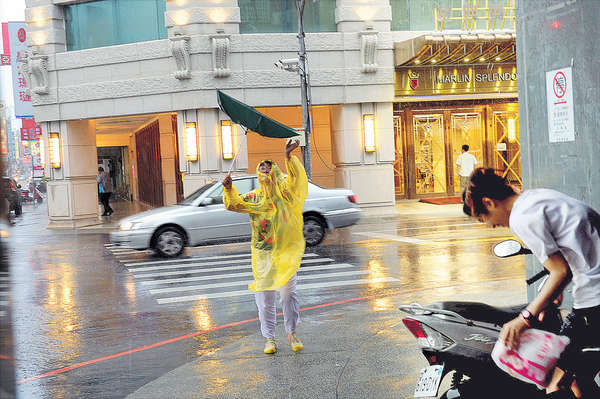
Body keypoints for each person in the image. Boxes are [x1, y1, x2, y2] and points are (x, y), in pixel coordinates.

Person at [463, 167, 600, 398]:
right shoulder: (536, 198)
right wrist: (551, 296)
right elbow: (566, 266)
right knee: (574, 375)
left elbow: (559, 270)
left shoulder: (521, 217)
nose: (488, 225)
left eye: (482, 218)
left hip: (594, 299)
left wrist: (524, 318)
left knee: (557, 380)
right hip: (592, 292)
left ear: (488, 202)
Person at [222, 140, 308, 355]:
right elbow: (233, 204)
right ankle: (269, 338)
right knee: (264, 298)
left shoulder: (286, 195)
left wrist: (288, 156)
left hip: (285, 253)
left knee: (288, 295)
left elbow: (296, 179)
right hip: (262, 255)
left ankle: (292, 332)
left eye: (270, 166)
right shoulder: (254, 197)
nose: (266, 169)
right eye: (262, 166)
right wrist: (228, 188)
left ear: (275, 170)